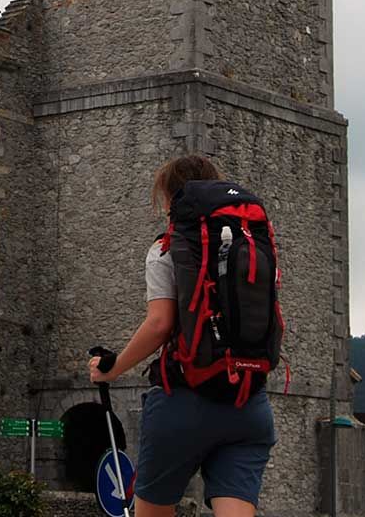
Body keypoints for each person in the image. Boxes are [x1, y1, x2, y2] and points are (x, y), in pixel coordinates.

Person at [89, 154, 276, 517]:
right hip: (249, 402)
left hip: (185, 400)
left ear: (169, 197)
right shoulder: (253, 240)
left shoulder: (166, 248)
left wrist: (112, 369)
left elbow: (159, 324)